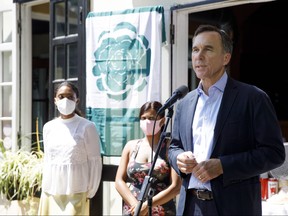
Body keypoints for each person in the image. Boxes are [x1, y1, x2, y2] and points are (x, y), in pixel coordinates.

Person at [168, 24, 286, 216]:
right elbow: (173, 147)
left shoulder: (252, 98)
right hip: (190, 206)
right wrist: (178, 159)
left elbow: (274, 153)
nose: (199, 55)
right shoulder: (184, 103)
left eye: (208, 49)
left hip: (234, 207)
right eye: (195, 49)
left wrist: (224, 166)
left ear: (226, 58)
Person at [38, 81, 102, 215]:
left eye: (70, 97)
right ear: (55, 100)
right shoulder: (48, 127)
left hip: (77, 191)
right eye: (61, 96)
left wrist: (90, 191)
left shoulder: (87, 127)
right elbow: (48, 160)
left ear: (76, 100)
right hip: (50, 191)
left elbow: (95, 161)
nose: (65, 100)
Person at [115, 101, 181, 216]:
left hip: (161, 209)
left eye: (151, 118)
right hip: (133, 209)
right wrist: (136, 205)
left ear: (162, 121)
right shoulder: (131, 146)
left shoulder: (170, 147)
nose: (147, 122)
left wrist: (146, 206)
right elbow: (119, 181)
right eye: (143, 118)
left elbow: (176, 186)